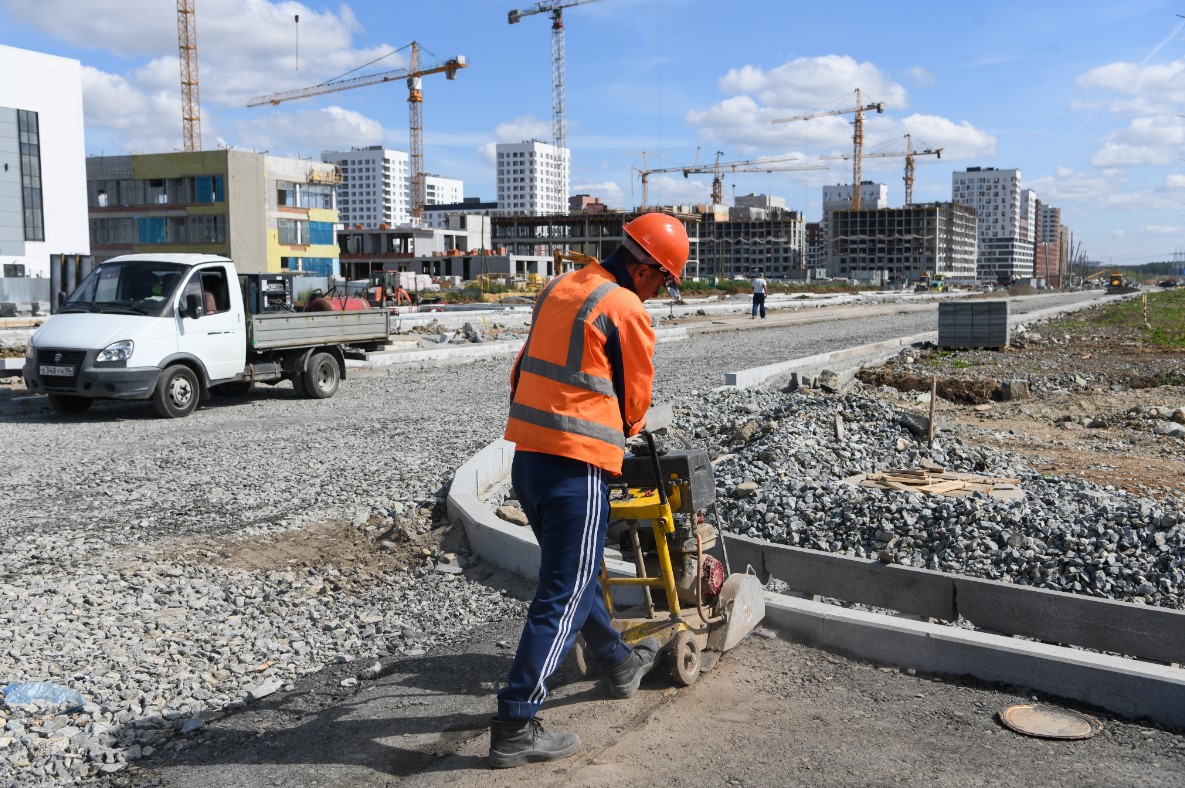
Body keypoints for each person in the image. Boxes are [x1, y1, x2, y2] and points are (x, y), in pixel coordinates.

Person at [491, 213, 690, 769]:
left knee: (573, 575)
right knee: (565, 591)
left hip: (529, 457)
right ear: (647, 267)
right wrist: (617, 437)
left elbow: (521, 369)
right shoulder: (625, 308)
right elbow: (634, 402)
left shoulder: (559, 286)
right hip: (576, 468)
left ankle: (616, 660)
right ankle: (515, 720)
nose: (658, 290)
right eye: (663, 279)